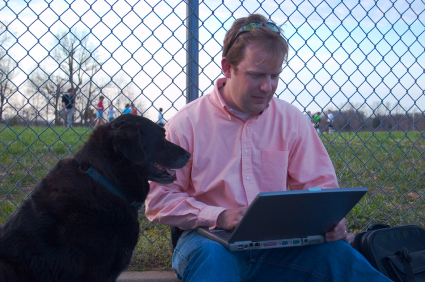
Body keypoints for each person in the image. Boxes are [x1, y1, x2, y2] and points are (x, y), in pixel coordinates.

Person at [145, 13, 391, 282]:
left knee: (340, 257)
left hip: (280, 245)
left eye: (275, 76)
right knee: (215, 262)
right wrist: (219, 215)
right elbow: (159, 200)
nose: (267, 87)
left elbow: (320, 190)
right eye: (256, 75)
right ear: (228, 68)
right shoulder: (186, 124)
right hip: (206, 242)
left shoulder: (292, 121)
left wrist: (329, 222)